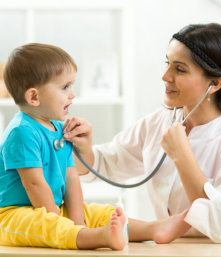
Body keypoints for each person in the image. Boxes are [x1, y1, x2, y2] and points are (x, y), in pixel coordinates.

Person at [63, 23, 221, 243]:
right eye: (168, 64)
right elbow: (105, 163)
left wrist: (182, 157)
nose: (165, 76)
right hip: (164, 248)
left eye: (180, 69)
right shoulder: (158, 121)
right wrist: (84, 149)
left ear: (214, 83)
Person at [0, 43, 127, 250]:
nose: (72, 94)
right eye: (65, 87)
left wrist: (77, 222)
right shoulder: (21, 132)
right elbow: (35, 185)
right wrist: (62, 224)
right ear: (33, 97)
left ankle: (152, 229)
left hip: (51, 207)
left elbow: (71, 176)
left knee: (100, 213)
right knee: (45, 225)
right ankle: (100, 237)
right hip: (13, 213)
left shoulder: (60, 129)